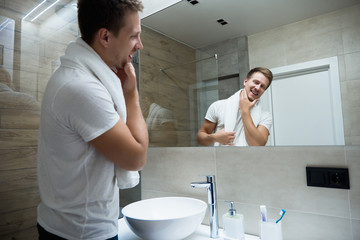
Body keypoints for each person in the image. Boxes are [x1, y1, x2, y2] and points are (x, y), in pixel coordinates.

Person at [36, 0, 148, 239]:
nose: (140, 45)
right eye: (134, 36)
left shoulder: (75, 77)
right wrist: (131, 95)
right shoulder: (82, 88)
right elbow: (135, 158)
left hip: (71, 226)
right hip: (81, 233)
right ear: (105, 37)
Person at [197, 67, 273, 146]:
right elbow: (200, 139)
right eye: (256, 82)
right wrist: (214, 138)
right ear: (245, 81)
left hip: (249, 158)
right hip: (222, 157)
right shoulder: (218, 106)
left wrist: (245, 111)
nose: (257, 88)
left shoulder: (265, 116)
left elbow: (258, 145)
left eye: (262, 86)